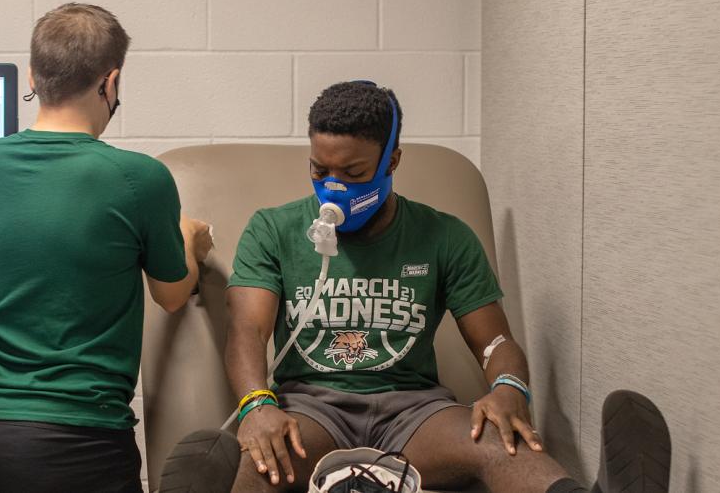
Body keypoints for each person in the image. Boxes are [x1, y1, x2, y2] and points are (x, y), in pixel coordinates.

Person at [166, 80, 609, 493]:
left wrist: (510, 388)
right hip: (311, 413)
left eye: (354, 173)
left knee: (502, 443)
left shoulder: (444, 236)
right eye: (320, 170)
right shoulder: (273, 230)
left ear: (391, 160)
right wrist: (255, 405)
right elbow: (247, 329)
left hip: (417, 414)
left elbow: (495, 340)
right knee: (259, 459)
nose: (333, 189)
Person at [0, 3, 214, 493]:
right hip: (76, 439)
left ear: (33, 74)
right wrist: (188, 238)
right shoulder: (138, 178)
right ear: (110, 82)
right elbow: (172, 296)